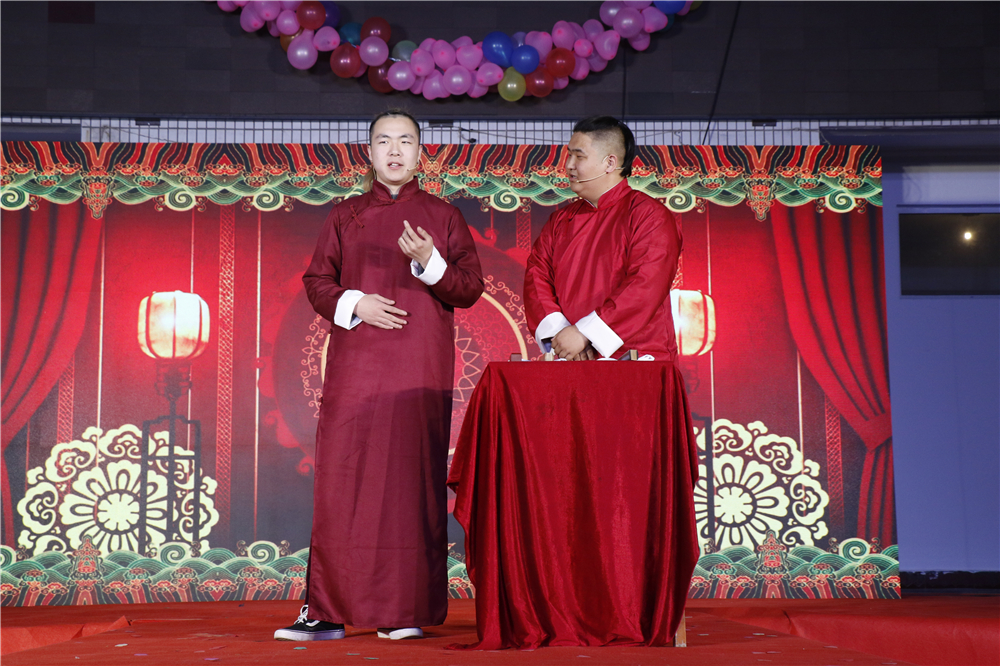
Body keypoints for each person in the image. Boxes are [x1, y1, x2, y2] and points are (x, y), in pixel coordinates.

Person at [275, 109, 484, 642]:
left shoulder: (443, 216)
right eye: (384, 141)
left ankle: (403, 610)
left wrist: (431, 262)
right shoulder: (344, 216)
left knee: (410, 485)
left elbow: (468, 288)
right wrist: (355, 302)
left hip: (419, 368)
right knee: (342, 482)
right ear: (368, 153)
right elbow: (317, 281)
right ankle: (325, 610)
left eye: (405, 141)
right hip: (356, 369)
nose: (394, 150)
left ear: (420, 153)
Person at [524, 116, 682, 361]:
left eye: (579, 156)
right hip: (571, 358)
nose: (569, 165)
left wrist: (585, 334)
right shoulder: (560, 221)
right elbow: (536, 278)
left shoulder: (648, 215)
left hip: (635, 358)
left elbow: (645, 285)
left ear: (610, 163)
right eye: (568, 155)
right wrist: (562, 337)